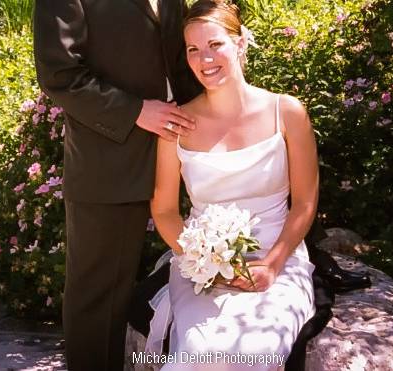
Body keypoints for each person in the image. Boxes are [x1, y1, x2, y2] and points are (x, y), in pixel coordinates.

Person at [147, 0, 322, 368]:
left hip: (279, 257)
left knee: (256, 349)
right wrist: (201, 259)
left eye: (215, 45)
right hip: (201, 269)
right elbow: (164, 209)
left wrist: (272, 265)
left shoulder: (287, 112)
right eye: (193, 49)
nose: (204, 59)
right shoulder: (176, 126)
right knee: (199, 352)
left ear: (240, 43)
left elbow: (305, 203)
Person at [32, 1, 200, 370]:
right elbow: (59, 74)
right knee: (99, 301)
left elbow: (180, 55)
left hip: (187, 148)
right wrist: (136, 111)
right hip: (109, 164)